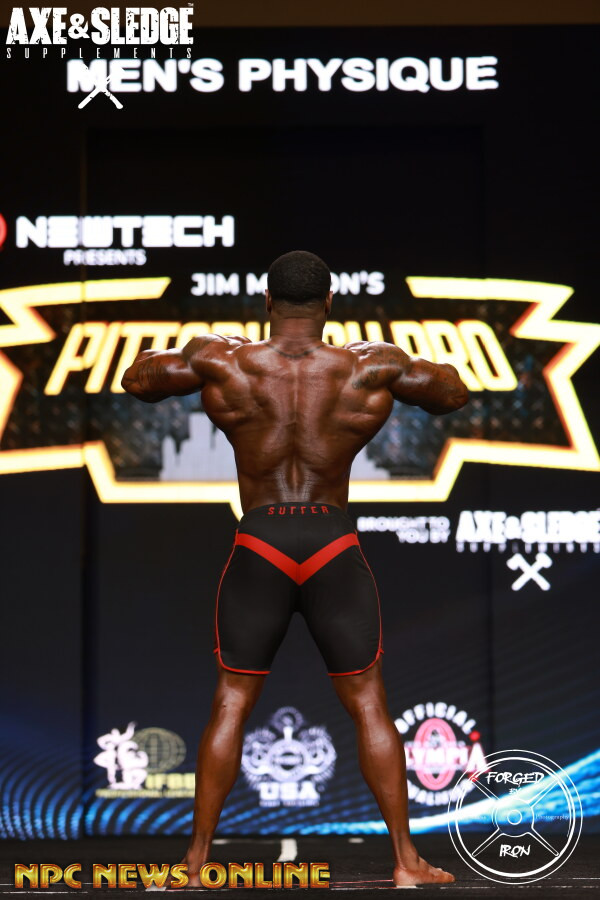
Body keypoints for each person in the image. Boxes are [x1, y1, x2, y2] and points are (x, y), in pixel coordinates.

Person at [122, 250, 468, 887]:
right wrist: (396, 362)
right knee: (369, 703)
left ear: (267, 301)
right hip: (332, 540)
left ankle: (195, 866)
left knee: (231, 700)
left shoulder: (223, 359)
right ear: (330, 302)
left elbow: (137, 380)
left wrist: (187, 351)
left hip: (261, 540)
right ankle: (406, 862)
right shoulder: (369, 365)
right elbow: (453, 392)